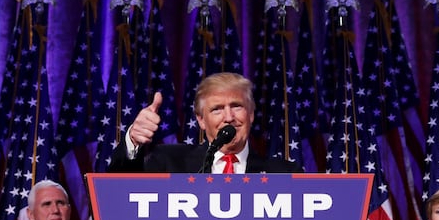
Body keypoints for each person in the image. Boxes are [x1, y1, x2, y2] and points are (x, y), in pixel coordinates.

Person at [107, 72, 301, 173]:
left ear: (251, 114)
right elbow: (120, 189)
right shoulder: (169, 162)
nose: (228, 117)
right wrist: (133, 141)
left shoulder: (284, 174)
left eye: (237, 106)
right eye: (217, 109)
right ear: (200, 119)